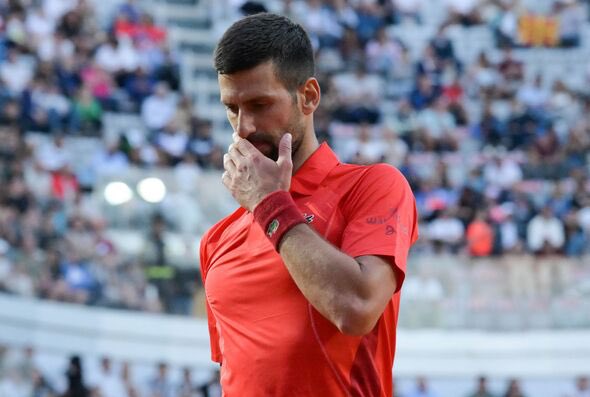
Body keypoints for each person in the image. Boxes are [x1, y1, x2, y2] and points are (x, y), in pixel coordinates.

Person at [199, 13, 418, 397]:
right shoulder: (217, 240)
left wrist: (268, 204)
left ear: (309, 96)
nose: (243, 127)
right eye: (232, 108)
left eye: (260, 104)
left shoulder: (372, 187)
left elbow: (356, 307)